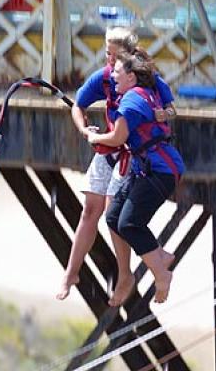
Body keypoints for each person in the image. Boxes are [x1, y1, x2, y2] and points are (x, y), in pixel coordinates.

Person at [57, 27, 175, 306]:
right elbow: (78, 105)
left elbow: (171, 109)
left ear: (127, 58)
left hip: (130, 152)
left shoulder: (144, 80)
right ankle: (71, 273)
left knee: (113, 210)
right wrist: (85, 130)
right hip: (107, 145)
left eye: (112, 55)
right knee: (90, 209)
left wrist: (162, 113)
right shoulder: (105, 77)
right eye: (106, 53)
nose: (108, 61)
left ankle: (126, 275)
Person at [86, 48, 185, 303]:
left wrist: (94, 136)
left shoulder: (131, 101)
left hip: (161, 170)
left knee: (129, 223)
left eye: (117, 73)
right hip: (147, 168)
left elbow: (118, 137)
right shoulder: (143, 94)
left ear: (131, 77)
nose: (112, 77)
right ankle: (159, 255)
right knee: (113, 216)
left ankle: (162, 274)